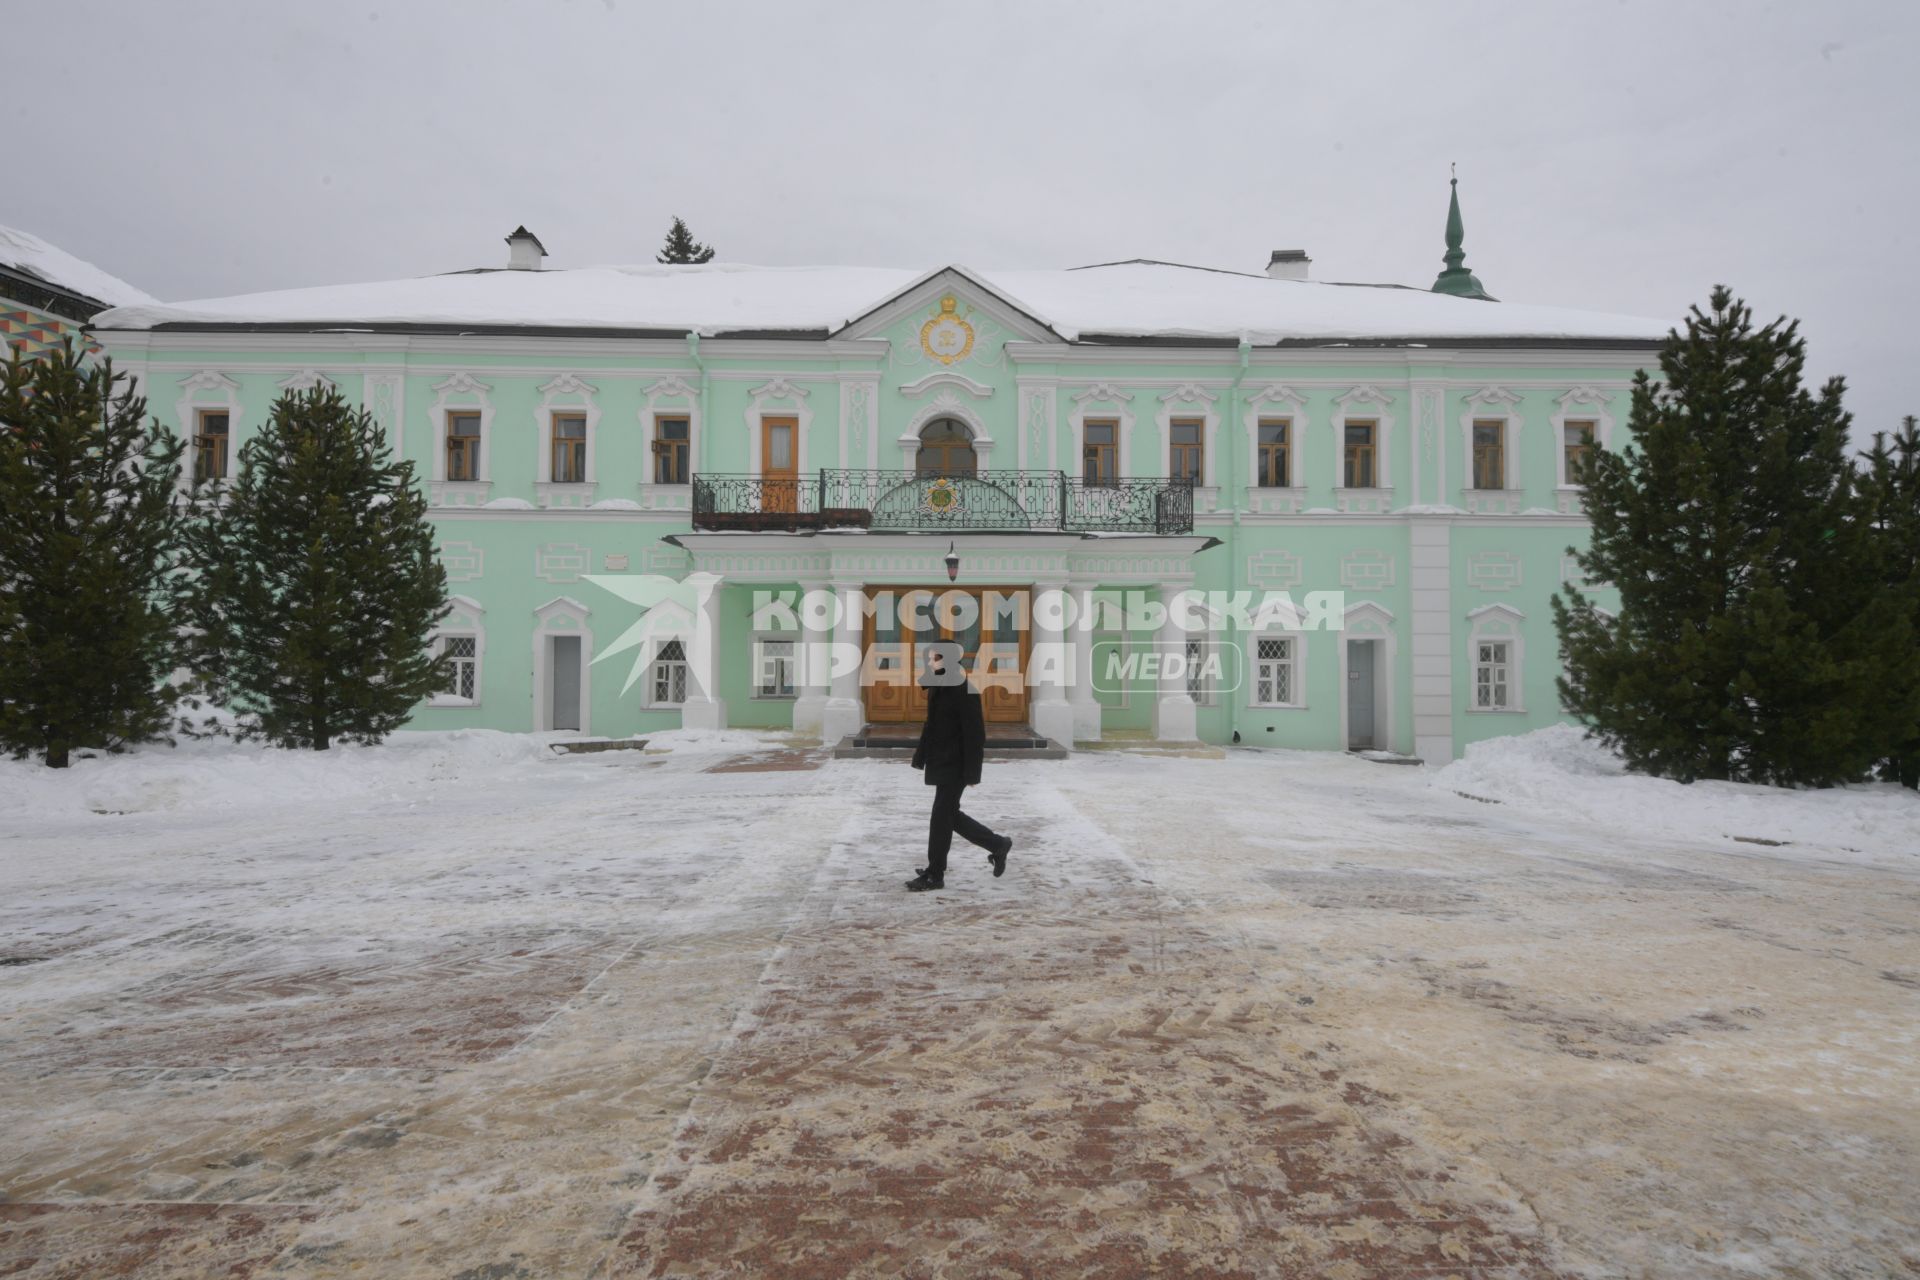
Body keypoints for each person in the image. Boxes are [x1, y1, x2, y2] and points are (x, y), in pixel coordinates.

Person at [906, 642, 1012, 892]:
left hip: (956, 765)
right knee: (947, 816)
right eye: (930, 658)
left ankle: (935, 873)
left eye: (935, 659)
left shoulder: (965, 690)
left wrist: (972, 772)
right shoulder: (938, 688)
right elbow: (930, 726)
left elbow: (975, 735)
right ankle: (997, 845)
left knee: (941, 817)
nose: (930, 663)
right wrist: (920, 756)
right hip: (941, 760)